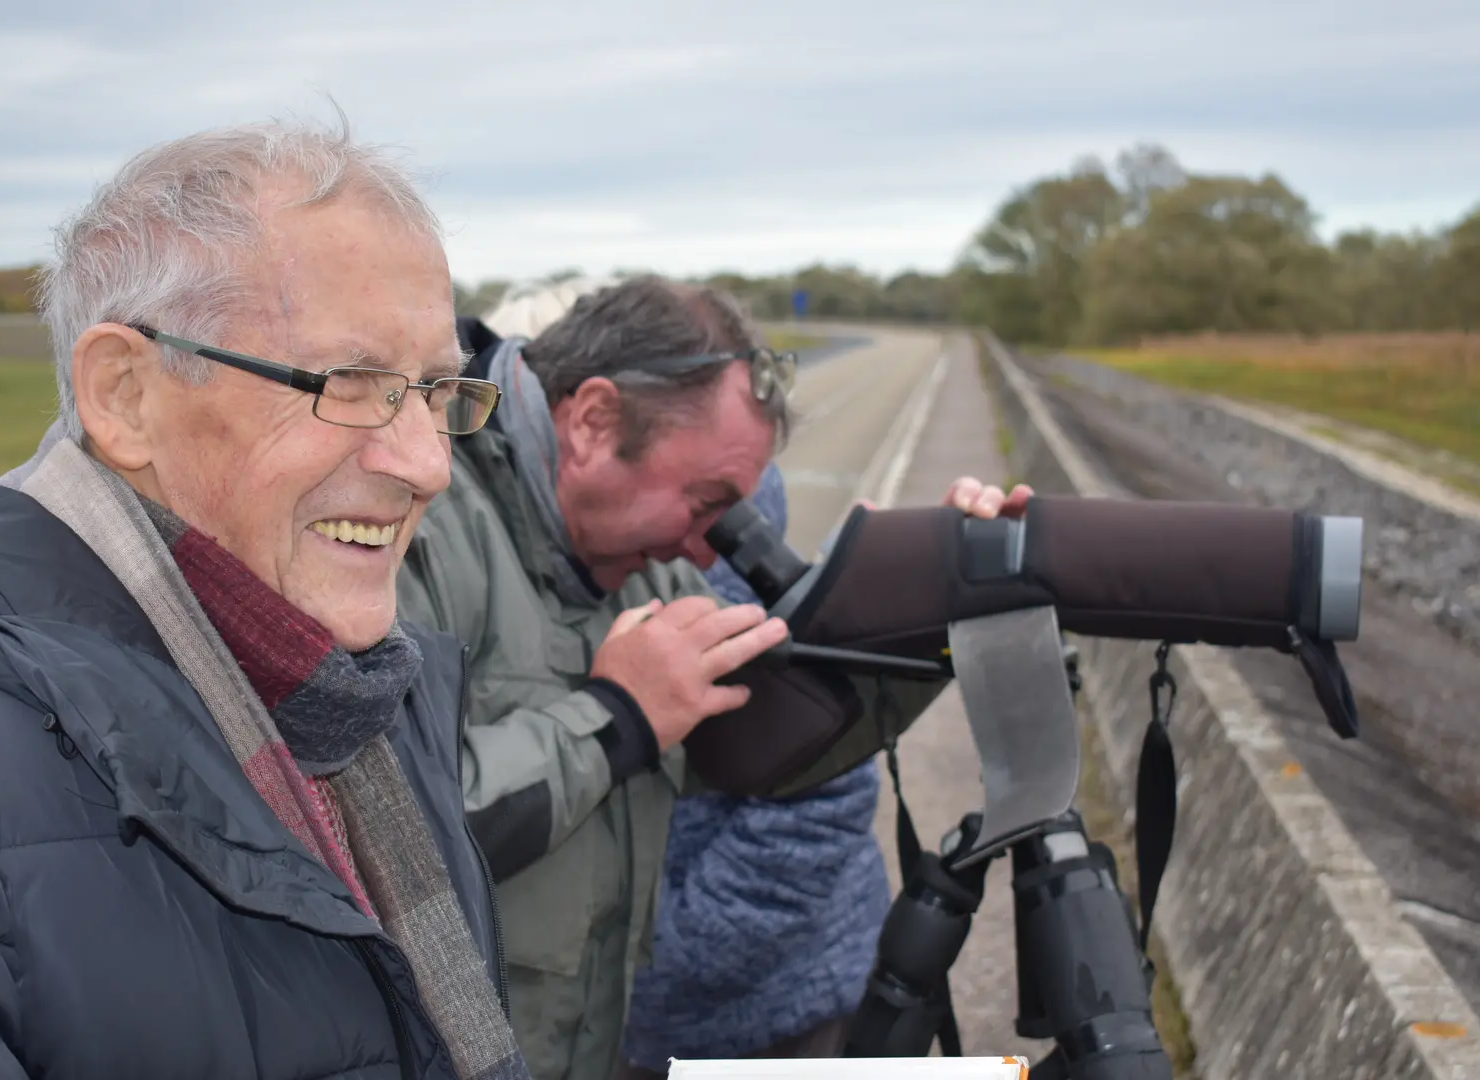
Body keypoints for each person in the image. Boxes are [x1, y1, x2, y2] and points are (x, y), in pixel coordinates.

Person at [0, 119, 529, 1080]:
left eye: (437, 389)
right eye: (354, 383)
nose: (426, 464)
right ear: (123, 395)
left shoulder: (350, 707)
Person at [398, 276, 1031, 1080]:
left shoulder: (643, 562)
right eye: (705, 503)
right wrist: (616, 716)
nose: (709, 551)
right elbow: (373, 823)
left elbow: (773, 746)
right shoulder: (413, 518)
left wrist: (924, 617)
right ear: (593, 422)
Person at [615, 460, 890, 1075]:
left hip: (772, 1010)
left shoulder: (704, 499)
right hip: (638, 1017)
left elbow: (822, 788)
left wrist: (658, 968)